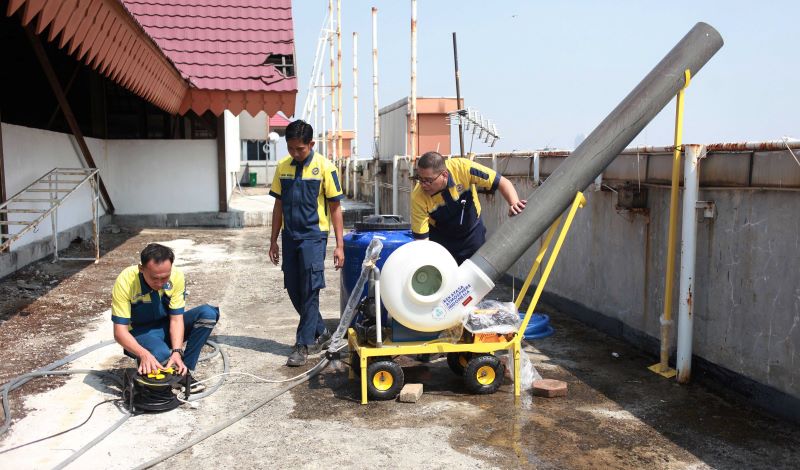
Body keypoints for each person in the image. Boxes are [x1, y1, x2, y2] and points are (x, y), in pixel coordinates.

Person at [269, 120, 345, 367]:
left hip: (314, 237)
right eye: (290, 148)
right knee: (293, 287)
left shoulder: (325, 167)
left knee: (310, 290)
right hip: (290, 237)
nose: (295, 153)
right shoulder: (282, 167)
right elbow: (278, 205)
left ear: (311, 144)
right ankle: (321, 331)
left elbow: (335, 208)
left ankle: (303, 345)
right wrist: (273, 240)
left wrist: (339, 244)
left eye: (299, 149)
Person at [111, 243, 219, 390]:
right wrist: (143, 354)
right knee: (160, 354)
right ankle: (154, 360)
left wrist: (177, 351)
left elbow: (176, 319)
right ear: (141, 269)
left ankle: (184, 373)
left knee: (208, 314)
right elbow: (120, 332)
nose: (161, 283)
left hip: (167, 326)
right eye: (155, 278)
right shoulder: (126, 281)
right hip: (140, 333)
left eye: (165, 277)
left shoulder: (176, 276)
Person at [411, 151, 527, 264]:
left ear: (444, 174)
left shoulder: (464, 168)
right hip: (441, 237)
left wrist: (514, 203)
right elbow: (422, 242)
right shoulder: (418, 197)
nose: (423, 184)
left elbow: (502, 182)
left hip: (472, 233)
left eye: (428, 180)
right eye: (420, 179)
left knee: (476, 276)